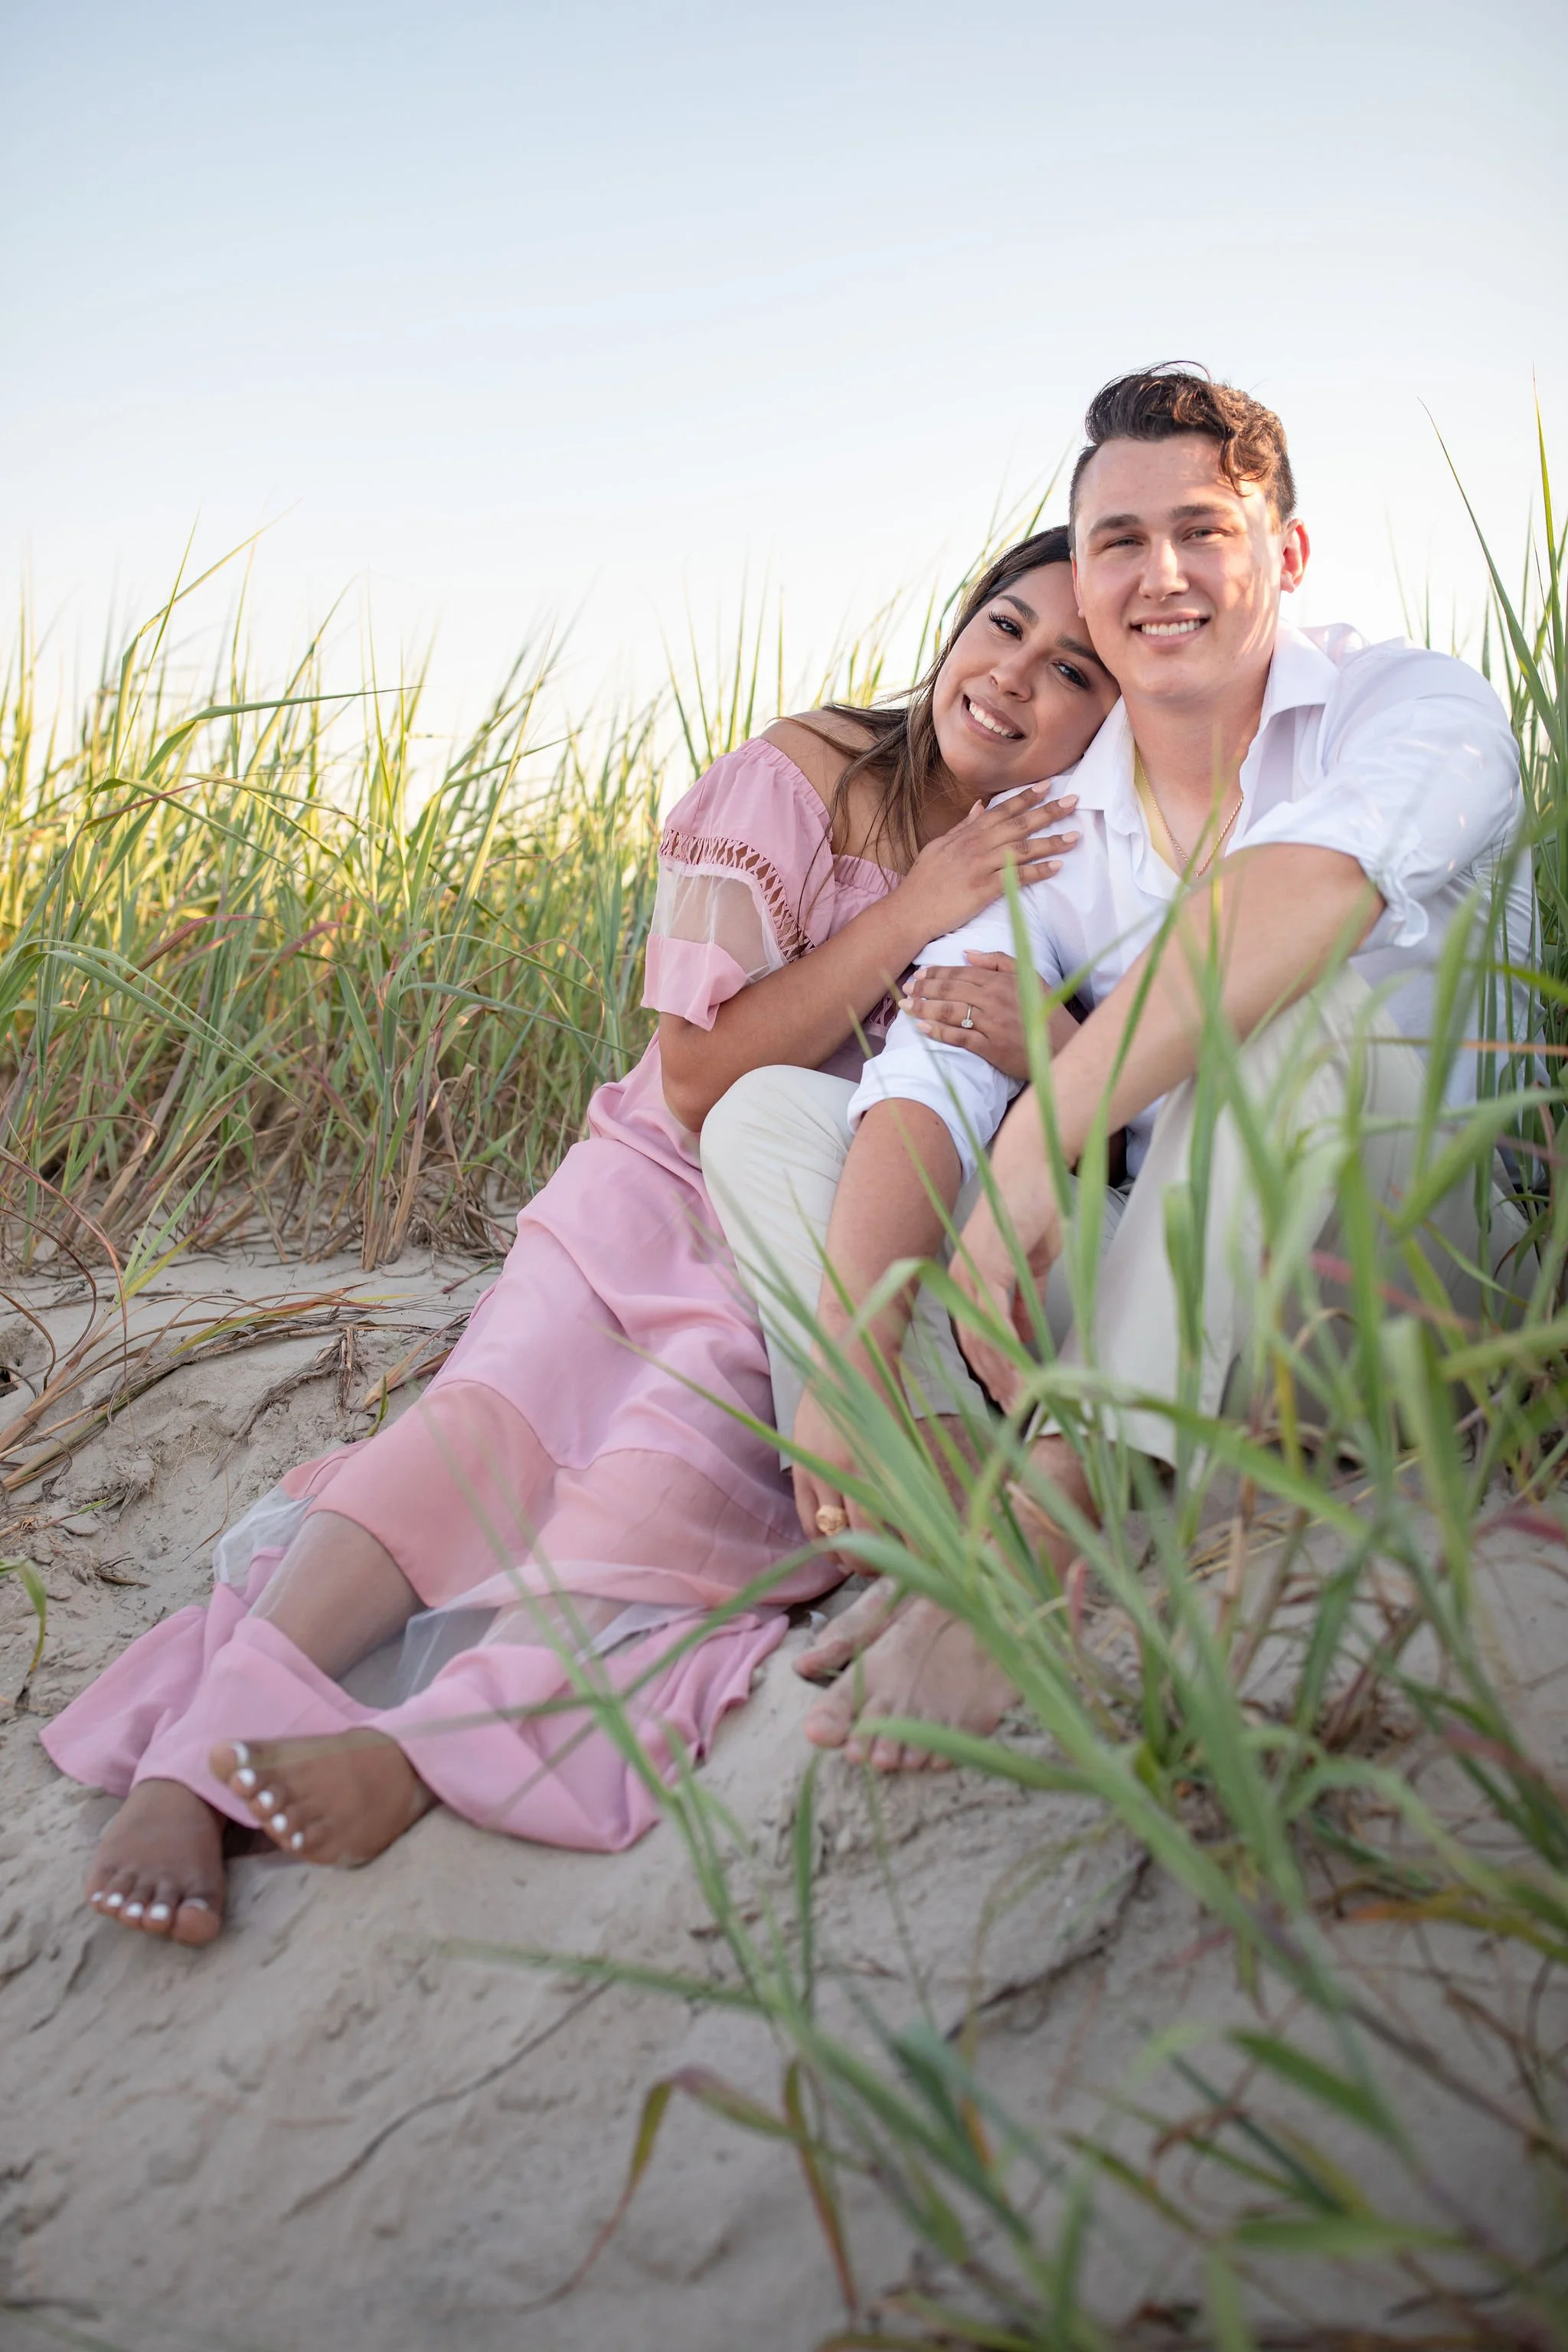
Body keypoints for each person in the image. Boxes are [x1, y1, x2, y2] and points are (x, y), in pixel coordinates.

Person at [41, 527, 1118, 1945]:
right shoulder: (804, 776)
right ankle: (196, 1752)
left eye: (1074, 671)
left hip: (813, 1225)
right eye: (1004, 625)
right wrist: (920, 907)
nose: (1016, 678)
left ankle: (429, 1751)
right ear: (957, 622)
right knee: (479, 1430)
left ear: (1108, 719)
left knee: (669, 1479)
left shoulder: (1074, 859)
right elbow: (693, 1073)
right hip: (653, 1179)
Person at [700, 366, 1531, 1771]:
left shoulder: (1411, 708)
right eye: (1119, 542)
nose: (1163, 574)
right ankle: (962, 1492)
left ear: (1287, 553)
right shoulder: (1060, 827)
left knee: (1313, 1018)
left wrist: (1042, 1138)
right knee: (775, 1117)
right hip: (1163, 1314)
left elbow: (1301, 895)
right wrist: (846, 1353)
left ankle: (1031, 1545)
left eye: (1203, 529)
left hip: (1401, 1297)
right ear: (1086, 585)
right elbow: (927, 1076)